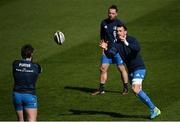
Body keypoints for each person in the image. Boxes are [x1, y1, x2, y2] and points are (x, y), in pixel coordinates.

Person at [100, 25, 161, 119]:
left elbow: (137, 49)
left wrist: (126, 42)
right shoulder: (116, 43)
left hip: (139, 67)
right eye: (117, 31)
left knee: (135, 89)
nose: (118, 32)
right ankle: (152, 108)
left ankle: (154, 109)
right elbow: (110, 54)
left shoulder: (132, 39)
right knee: (137, 91)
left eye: (120, 31)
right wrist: (105, 48)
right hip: (131, 70)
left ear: (125, 32)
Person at [92, 5, 129, 95]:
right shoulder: (103, 23)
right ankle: (101, 89)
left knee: (121, 68)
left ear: (116, 14)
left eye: (113, 13)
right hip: (107, 50)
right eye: (109, 13)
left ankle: (126, 88)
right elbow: (102, 37)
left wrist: (122, 48)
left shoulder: (119, 23)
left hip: (117, 50)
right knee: (103, 68)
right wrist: (103, 48)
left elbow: (124, 36)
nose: (110, 15)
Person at [12, 44, 41, 122]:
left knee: (20, 120)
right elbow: (39, 71)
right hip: (29, 95)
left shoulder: (15, 63)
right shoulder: (36, 66)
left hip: (17, 95)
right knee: (32, 120)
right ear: (31, 54)